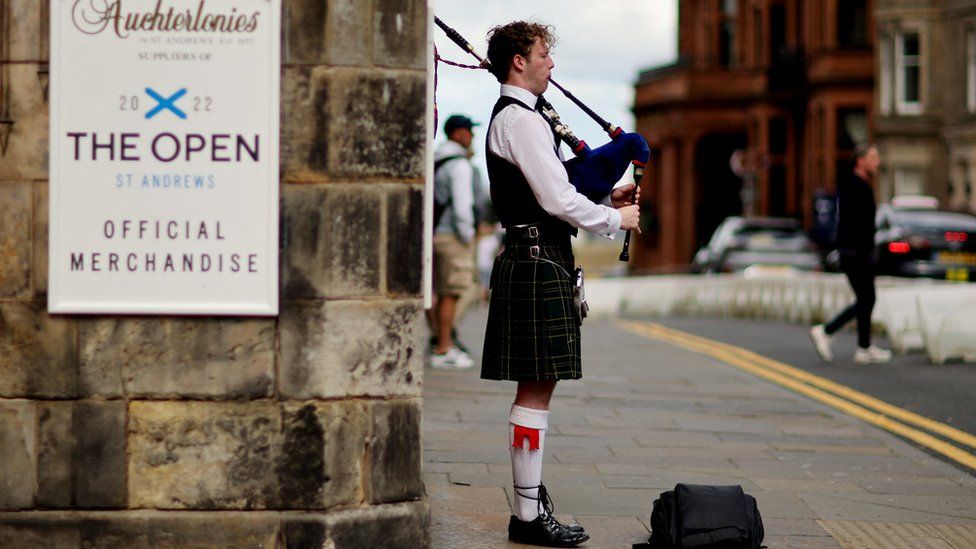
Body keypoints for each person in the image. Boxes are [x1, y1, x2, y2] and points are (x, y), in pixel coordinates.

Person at [480, 21, 641, 547]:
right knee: (536, 386)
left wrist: (603, 204)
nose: (551, 64)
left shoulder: (524, 118)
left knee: (539, 385)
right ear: (518, 62)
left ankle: (529, 503)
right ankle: (527, 515)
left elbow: (556, 193)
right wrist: (617, 221)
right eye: (544, 54)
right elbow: (554, 199)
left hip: (538, 253)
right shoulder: (520, 121)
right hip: (535, 259)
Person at [810, 144, 892, 365]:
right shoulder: (855, 186)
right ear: (860, 161)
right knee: (866, 299)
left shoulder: (860, 185)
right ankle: (826, 331)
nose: (878, 162)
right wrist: (861, 251)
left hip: (859, 251)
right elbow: (854, 224)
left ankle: (864, 348)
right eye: (873, 157)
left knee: (867, 298)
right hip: (855, 252)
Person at [430, 114, 481, 369]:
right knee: (453, 293)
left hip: (435, 234)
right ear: (459, 133)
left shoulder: (437, 159)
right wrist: (468, 235)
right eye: (470, 131)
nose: (472, 137)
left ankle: (440, 339)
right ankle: (443, 347)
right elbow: (463, 205)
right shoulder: (459, 164)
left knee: (436, 292)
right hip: (453, 236)